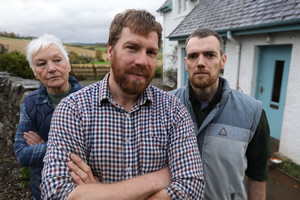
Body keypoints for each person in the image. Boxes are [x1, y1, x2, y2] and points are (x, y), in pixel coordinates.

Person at [40, 9, 205, 200]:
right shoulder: (74, 109)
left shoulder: (173, 110)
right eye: (132, 48)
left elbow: (192, 189)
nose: (142, 61)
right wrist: (156, 180)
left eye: (151, 52)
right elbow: (55, 192)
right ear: (110, 51)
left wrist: (99, 193)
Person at [171, 28, 270, 200]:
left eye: (210, 55)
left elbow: (258, 174)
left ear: (223, 61)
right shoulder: (166, 106)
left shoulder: (253, 113)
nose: (200, 62)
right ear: (186, 63)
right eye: (193, 56)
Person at [14, 34, 84, 200]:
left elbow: (96, 148)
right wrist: (66, 147)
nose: (51, 68)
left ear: (68, 65)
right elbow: (22, 154)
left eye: (57, 60)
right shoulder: (30, 103)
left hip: (81, 188)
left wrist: (45, 146)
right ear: (35, 73)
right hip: (42, 189)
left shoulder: (89, 98)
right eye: (42, 64)